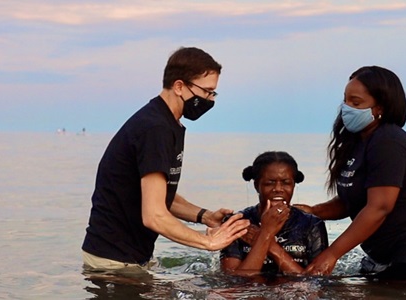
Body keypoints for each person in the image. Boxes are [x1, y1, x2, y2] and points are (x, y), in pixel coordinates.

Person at [81, 47, 250, 274]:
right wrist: (208, 242)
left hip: (130, 257)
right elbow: (154, 216)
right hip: (113, 262)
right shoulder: (155, 128)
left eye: (214, 93)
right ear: (179, 86)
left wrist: (205, 216)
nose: (210, 99)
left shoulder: (167, 123)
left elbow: (160, 196)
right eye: (207, 92)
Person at [296, 66, 406, 280]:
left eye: (356, 103)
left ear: (379, 108)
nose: (346, 108)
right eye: (345, 100)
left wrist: (331, 254)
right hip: (385, 257)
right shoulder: (358, 141)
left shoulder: (388, 140)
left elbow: (380, 206)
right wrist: (313, 211)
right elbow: (353, 201)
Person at [220, 151, 328, 277]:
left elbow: (315, 282)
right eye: (269, 183)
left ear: (293, 185)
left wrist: (268, 241)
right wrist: (266, 233)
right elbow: (235, 282)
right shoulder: (238, 223)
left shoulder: (312, 224)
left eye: (286, 183)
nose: (278, 189)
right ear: (256, 186)